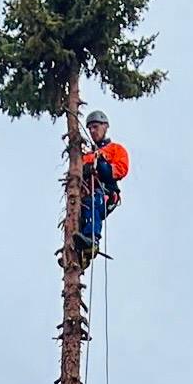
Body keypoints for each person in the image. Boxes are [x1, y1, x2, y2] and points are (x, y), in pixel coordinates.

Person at [73, 110, 129, 268]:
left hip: (105, 193)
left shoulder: (115, 149)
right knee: (77, 217)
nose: (92, 131)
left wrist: (102, 166)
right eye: (90, 128)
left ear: (105, 127)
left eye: (96, 127)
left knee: (93, 202)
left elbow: (121, 169)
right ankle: (77, 255)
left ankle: (92, 239)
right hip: (86, 195)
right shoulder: (86, 155)